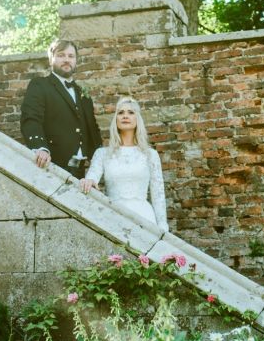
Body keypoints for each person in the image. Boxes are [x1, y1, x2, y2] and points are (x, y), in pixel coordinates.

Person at [79, 97, 168, 231]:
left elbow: (158, 195)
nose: (125, 116)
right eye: (120, 113)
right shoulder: (102, 154)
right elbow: (92, 178)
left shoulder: (150, 155)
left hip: (144, 217)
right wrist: (88, 181)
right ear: (115, 120)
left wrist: (162, 226)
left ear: (137, 119)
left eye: (131, 112)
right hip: (113, 216)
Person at [20, 38, 102, 179]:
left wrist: (100, 161)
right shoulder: (40, 85)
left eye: (71, 56)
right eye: (61, 55)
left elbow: (92, 130)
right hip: (51, 166)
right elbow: (31, 118)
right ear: (51, 58)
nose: (66, 60)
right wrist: (40, 147)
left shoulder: (83, 94)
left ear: (76, 60)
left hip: (81, 173)